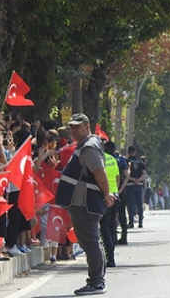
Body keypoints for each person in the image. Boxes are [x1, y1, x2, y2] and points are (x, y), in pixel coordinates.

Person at [54, 114, 115, 295]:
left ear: (87, 127)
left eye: (77, 127)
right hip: (83, 202)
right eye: (71, 127)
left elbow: (100, 173)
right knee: (92, 242)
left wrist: (106, 195)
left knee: (90, 243)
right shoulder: (86, 145)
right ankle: (96, 280)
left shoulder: (88, 147)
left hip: (85, 203)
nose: (73, 130)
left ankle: (96, 282)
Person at [100, 141, 120, 267]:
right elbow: (117, 177)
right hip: (115, 194)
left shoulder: (98, 160)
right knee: (112, 228)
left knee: (104, 229)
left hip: (104, 196)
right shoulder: (112, 159)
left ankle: (109, 258)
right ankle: (111, 255)